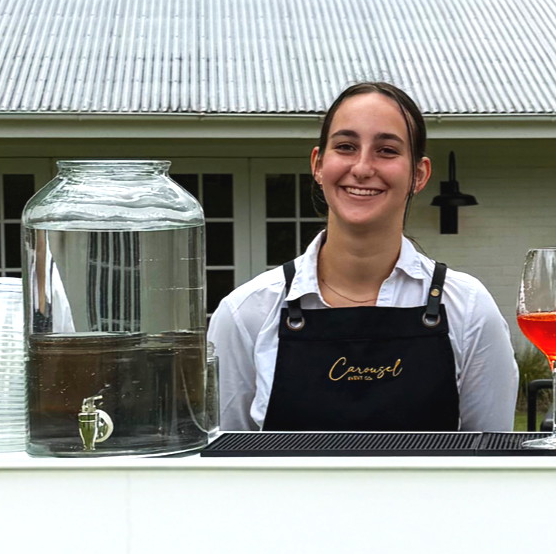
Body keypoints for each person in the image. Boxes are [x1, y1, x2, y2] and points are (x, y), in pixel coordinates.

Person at [210, 82, 518, 433]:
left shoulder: (469, 310)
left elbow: (491, 465)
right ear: (318, 164)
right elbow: (223, 468)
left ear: (418, 175)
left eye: (386, 150)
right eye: (345, 146)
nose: (362, 167)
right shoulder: (245, 314)